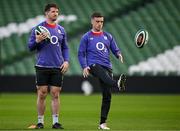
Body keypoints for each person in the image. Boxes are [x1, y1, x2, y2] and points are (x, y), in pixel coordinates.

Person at [78, 12, 126, 130]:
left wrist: (119, 54)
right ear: (92, 22)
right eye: (97, 21)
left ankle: (102, 123)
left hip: (107, 66)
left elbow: (115, 49)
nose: (100, 24)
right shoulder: (86, 37)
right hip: (93, 65)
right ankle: (117, 84)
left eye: (101, 22)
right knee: (102, 73)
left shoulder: (108, 36)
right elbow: (80, 53)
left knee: (107, 95)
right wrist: (84, 66)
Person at [28, 3, 69, 129]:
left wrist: (66, 61)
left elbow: (65, 47)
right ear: (46, 13)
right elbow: (30, 47)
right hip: (42, 66)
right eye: (53, 11)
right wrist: (37, 41)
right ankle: (40, 122)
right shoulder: (38, 29)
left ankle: (55, 122)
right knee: (42, 93)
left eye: (57, 11)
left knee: (55, 94)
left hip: (57, 66)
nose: (55, 13)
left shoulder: (61, 30)